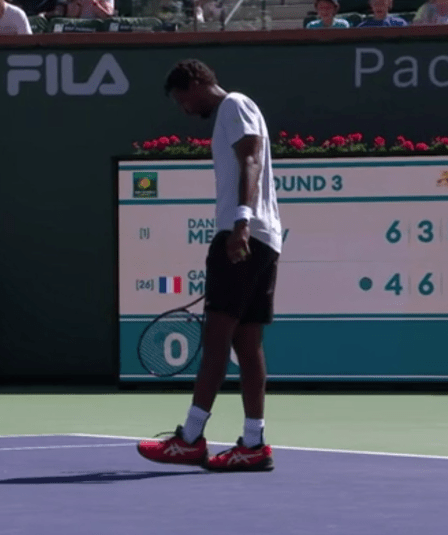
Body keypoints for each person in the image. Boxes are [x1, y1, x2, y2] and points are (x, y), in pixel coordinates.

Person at [137, 59, 282, 473]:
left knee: (218, 339)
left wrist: (239, 223)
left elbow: (251, 158)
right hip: (263, 237)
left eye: (184, 98)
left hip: (242, 233)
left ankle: (189, 439)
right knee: (246, 343)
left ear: (200, 83)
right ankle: (253, 443)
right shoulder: (235, 110)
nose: (184, 109)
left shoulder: (234, 105)